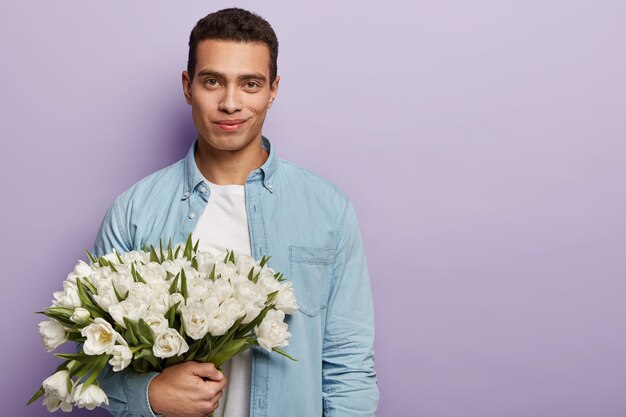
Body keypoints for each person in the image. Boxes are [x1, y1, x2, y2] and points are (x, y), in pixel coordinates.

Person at [92, 7, 378, 417]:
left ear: (272, 90)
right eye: (213, 81)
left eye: (250, 84)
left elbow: (348, 365)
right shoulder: (134, 212)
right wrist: (148, 395)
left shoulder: (328, 209)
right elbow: (98, 359)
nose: (231, 103)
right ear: (188, 86)